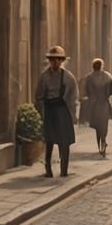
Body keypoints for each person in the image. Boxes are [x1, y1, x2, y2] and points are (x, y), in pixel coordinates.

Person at [35, 46, 79, 178]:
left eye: (58, 59)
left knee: (64, 141)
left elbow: (73, 95)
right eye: (52, 60)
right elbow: (38, 95)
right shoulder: (44, 77)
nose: (55, 62)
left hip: (62, 110)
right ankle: (48, 169)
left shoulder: (68, 77)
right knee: (49, 140)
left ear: (62, 61)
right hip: (49, 110)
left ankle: (64, 170)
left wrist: (72, 112)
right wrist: (41, 110)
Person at [80, 58, 112, 157]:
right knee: (104, 125)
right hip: (104, 104)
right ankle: (103, 142)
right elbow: (111, 91)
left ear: (93, 66)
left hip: (94, 105)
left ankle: (100, 144)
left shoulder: (89, 78)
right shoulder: (108, 77)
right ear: (102, 66)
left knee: (97, 126)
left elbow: (86, 91)